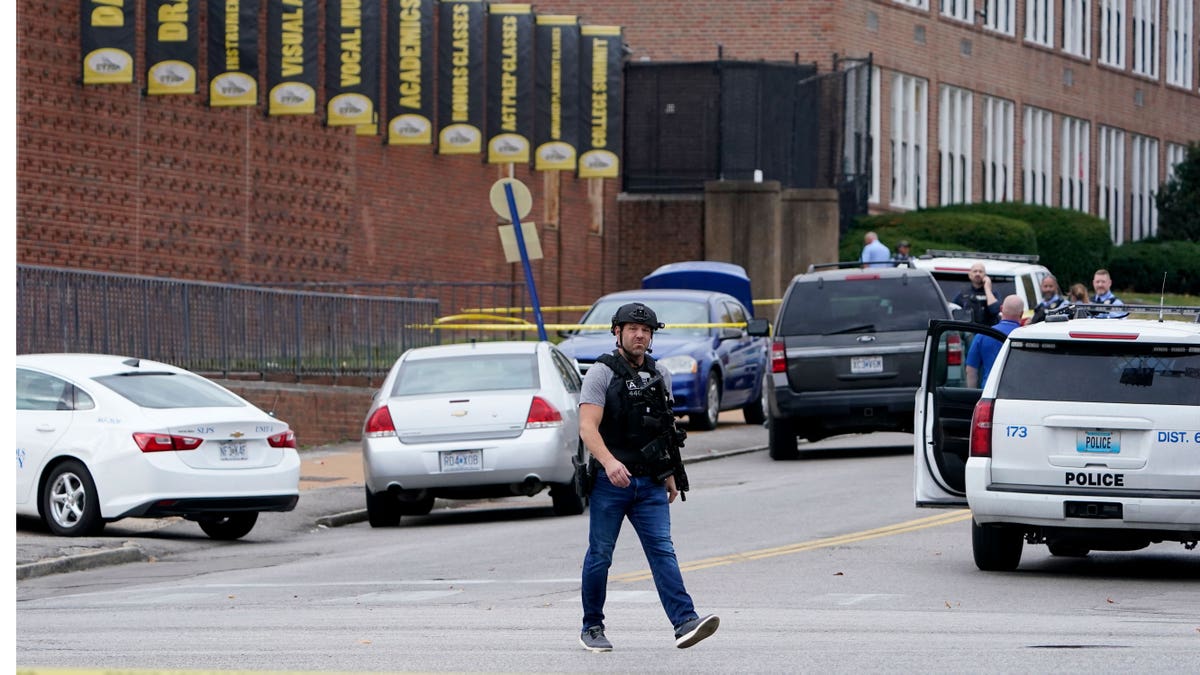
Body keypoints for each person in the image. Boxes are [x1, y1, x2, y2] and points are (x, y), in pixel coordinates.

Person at [577, 302, 719, 652]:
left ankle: (685, 622)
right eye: (632, 329)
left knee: (662, 552)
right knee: (600, 555)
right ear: (618, 333)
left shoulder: (660, 374)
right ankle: (592, 626)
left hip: (651, 481)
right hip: (611, 482)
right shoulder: (601, 373)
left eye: (646, 330)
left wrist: (670, 473)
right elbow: (586, 427)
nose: (640, 335)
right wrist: (609, 463)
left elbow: (666, 429)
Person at [965, 295, 1024, 387]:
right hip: (1018, 393)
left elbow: (971, 370)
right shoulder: (1026, 337)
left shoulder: (983, 335)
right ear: (1022, 313)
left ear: (1001, 309)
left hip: (989, 391)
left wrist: (972, 395)